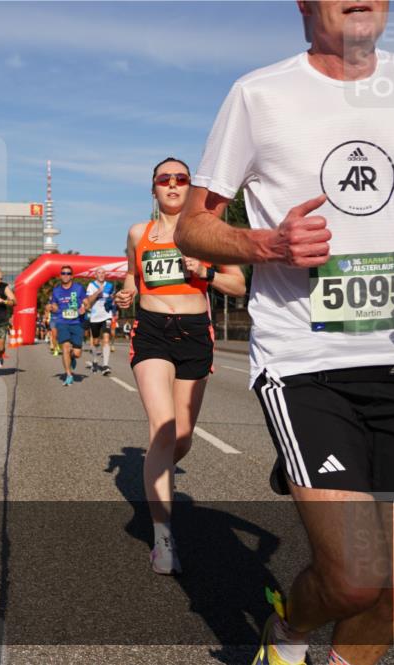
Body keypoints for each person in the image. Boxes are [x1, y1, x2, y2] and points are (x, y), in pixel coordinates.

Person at [174, 4, 394, 663]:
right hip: (309, 361)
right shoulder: (259, 95)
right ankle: (286, 632)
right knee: (354, 577)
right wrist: (267, 241)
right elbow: (192, 226)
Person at [114, 157, 245, 575]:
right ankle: (163, 536)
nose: (172, 185)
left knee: (181, 438)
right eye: (163, 179)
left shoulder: (208, 233)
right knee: (164, 427)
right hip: (151, 330)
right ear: (153, 188)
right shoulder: (140, 233)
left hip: (194, 334)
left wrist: (204, 272)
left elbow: (238, 284)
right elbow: (133, 278)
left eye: (181, 179)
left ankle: (159, 470)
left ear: (191, 187)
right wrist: (126, 293)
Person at [50, 265, 101, 385]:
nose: (65, 275)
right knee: (65, 347)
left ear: (72, 276)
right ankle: (68, 374)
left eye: (68, 273)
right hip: (62, 322)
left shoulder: (78, 288)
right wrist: (52, 307)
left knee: (77, 354)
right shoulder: (56, 290)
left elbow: (86, 302)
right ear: (60, 275)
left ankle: (72, 357)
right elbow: (54, 305)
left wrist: (84, 307)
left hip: (77, 322)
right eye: (63, 273)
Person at [86, 268, 116, 376]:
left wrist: (113, 300)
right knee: (95, 342)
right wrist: (98, 292)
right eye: (99, 273)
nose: (101, 274)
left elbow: (113, 298)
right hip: (95, 316)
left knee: (106, 338)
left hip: (106, 315)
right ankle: (94, 360)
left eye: (103, 272)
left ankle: (105, 365)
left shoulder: (110, 285)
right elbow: (89, 300)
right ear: (95, 275)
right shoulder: (91, 285)